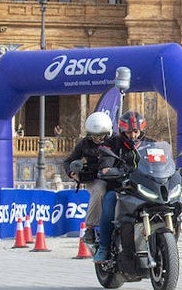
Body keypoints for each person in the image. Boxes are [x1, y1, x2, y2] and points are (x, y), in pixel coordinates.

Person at [95, 110, 147, 262]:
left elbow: (159, 159)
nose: (133, 135)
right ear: (123, 131)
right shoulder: (112, 144)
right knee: (109, 203)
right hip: (121, 188)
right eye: (129, 132)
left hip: (144, 188)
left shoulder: (151, 143)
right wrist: (108, 169)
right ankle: (103, 247)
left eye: (136, 131)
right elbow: (105, 161)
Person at [62, 111, 114, 252]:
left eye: (100, 135)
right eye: (94, 135)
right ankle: (91, 227)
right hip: (95, 179)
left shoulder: (116, 141)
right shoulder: (84, 144)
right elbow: (68, 161)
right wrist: (73, 173)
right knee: (99, 189)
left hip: (116, 177)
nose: (97, 139)